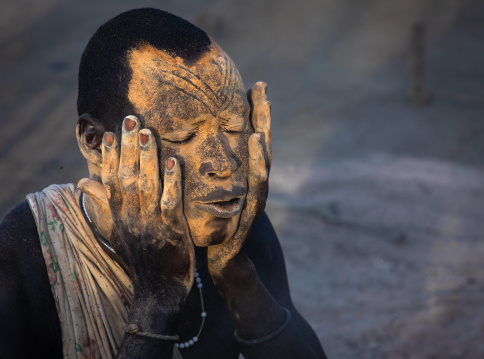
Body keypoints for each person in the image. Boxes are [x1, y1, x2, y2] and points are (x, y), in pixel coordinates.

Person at [0, 8, 327, 359]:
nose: (224, 164)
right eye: (182, 135)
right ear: (94, 142)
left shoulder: (239, 227)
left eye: (233, 127)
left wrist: (239, 277)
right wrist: (158, 297)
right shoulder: (27, 256)